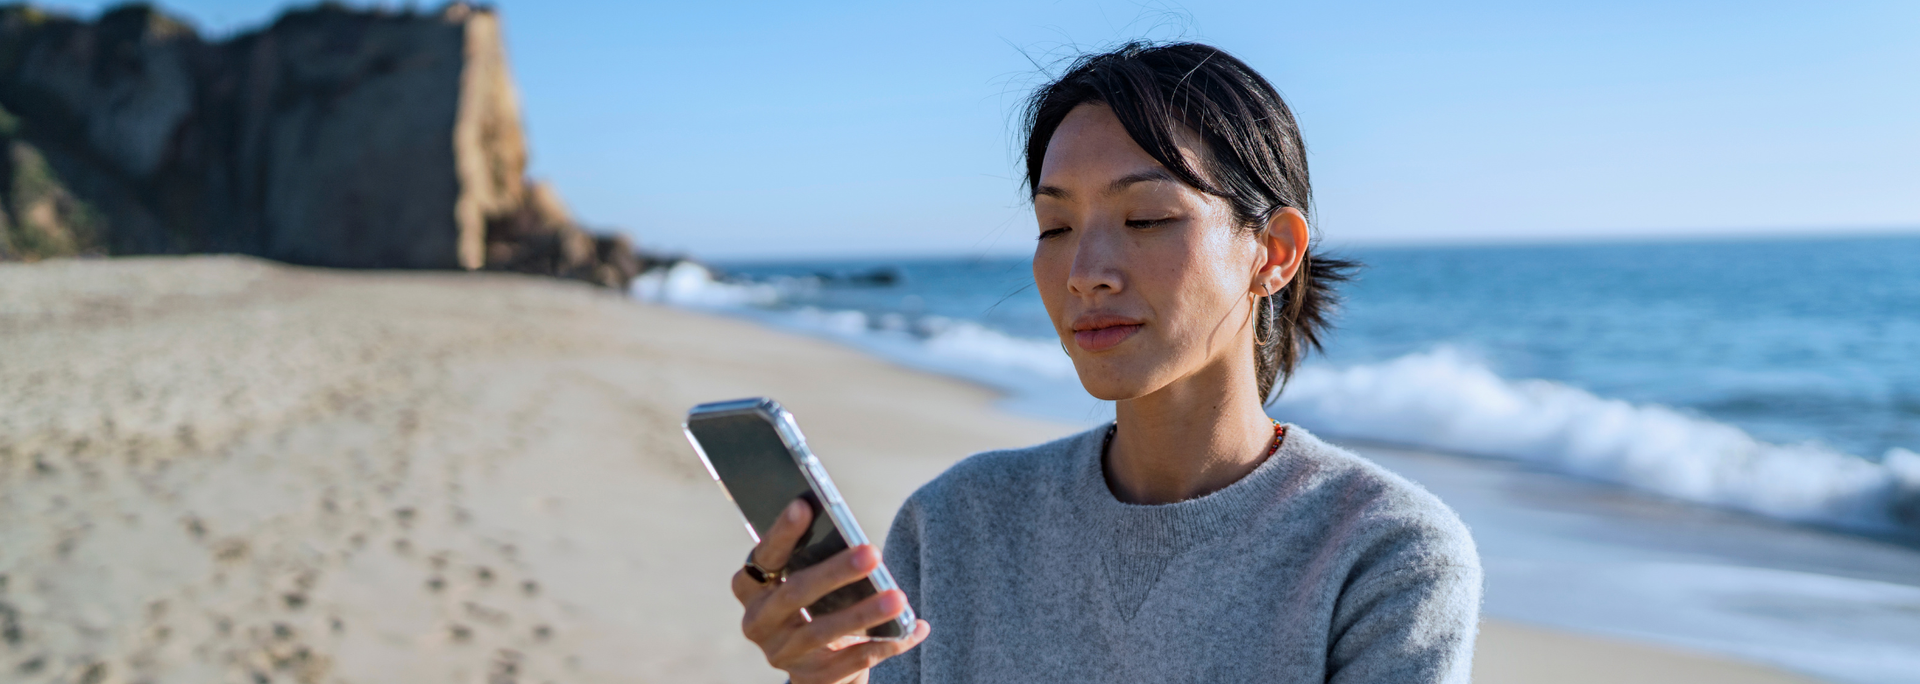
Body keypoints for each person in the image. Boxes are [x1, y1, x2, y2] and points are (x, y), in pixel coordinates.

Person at [727, 41, 1481, 684]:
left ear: (1273, 253)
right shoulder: (957, 524)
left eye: (1146, 217)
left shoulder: (1386, 552)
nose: (1087, 269)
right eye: (1055, 226)